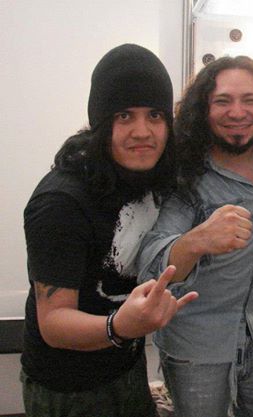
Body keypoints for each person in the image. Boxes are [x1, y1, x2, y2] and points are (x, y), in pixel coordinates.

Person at [21, 44, 198, 417]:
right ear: (101, 123)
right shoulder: (61, 202)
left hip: (127, 368)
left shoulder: (152, 177)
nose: (142, 131)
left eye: (154, 115)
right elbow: (53, 322)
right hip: (68, 389)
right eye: (124, 115)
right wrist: (119, 326)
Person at [137, 55, 253, 417]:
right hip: (198, 347)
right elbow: (150, 266)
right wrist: (197, 240)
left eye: (250, 100)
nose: (237, 112)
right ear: (204, 109)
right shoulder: (186, 171)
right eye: (223, 101)